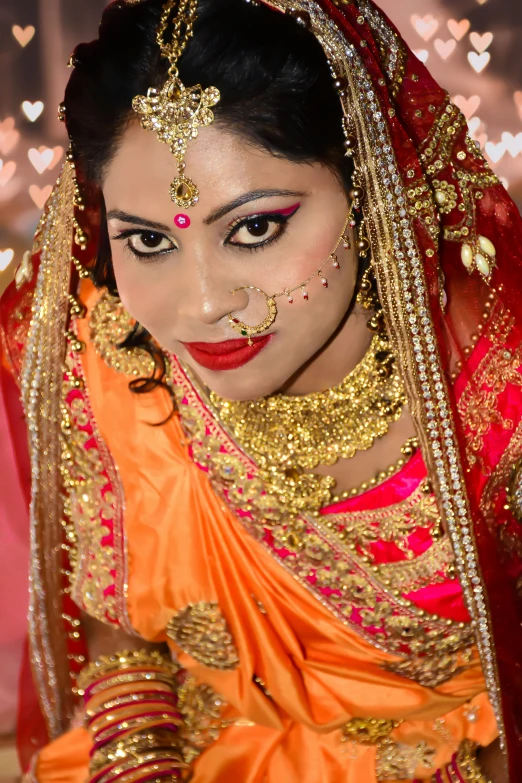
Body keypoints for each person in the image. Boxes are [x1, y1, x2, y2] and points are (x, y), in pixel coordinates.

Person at [1, 0, 522, 780]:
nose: (202, 303)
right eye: (148, 240)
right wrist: (143, 760)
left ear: (371, 183)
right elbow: (119, 616)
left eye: (253, 228)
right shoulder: (108, 356)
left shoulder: (498, 391)